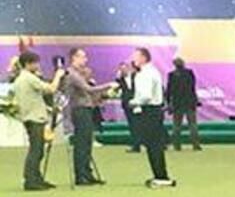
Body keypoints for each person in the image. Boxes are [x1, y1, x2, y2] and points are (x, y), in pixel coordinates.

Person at [62, 48, 117, 186]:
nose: (85, 59)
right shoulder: (72, 74)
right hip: (79, 110)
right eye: (82, 57)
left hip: (85, 109)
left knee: (87, 142)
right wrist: (108, 85)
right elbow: (88, 89)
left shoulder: (79, 74)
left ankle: (87, 173)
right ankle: (81, 175)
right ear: (74, 58)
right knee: (81, 143)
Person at [12, 51, 65, 191]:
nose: (38, 65)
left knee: (38, 150)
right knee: (36, 150)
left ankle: (36, 178)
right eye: (35, 63)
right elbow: (51, 89)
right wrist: (58, 76)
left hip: (29, 117)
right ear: (28, 64)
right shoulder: (29, 78)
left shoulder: (20, 79)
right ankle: (30, 180)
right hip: (35, 118)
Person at [129, 48, 176, 188]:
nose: (133, 59)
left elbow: (146, 96)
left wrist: (134, 102)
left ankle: (161, 176)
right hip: (153, 111)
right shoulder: (150, 72)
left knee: (153, 145)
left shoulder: (146, 73)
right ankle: (159, 175)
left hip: (150, 111)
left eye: (136, 56)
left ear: (144, 58)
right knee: (153, 145)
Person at [166, 58, 202, 152]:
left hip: (177, 103)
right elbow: (192, 87)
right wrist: (195, 100)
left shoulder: (172, 75)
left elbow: (169, 91)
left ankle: (177, 145)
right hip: (189, 102)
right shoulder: (189, 73)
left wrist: (168, 102)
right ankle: (196, 145)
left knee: (176, 125)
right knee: (192, 125)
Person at [116, 62, 141, 153]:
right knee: (132, 125)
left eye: (125, 68)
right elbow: (116, 89)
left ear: (128, 68)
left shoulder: (136, 76)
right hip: (127, 105)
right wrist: (118, 79)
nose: (123, 71)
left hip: (138, 103)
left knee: (141, 124)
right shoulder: (120, 80)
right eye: (121, 69)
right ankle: (136, 145)